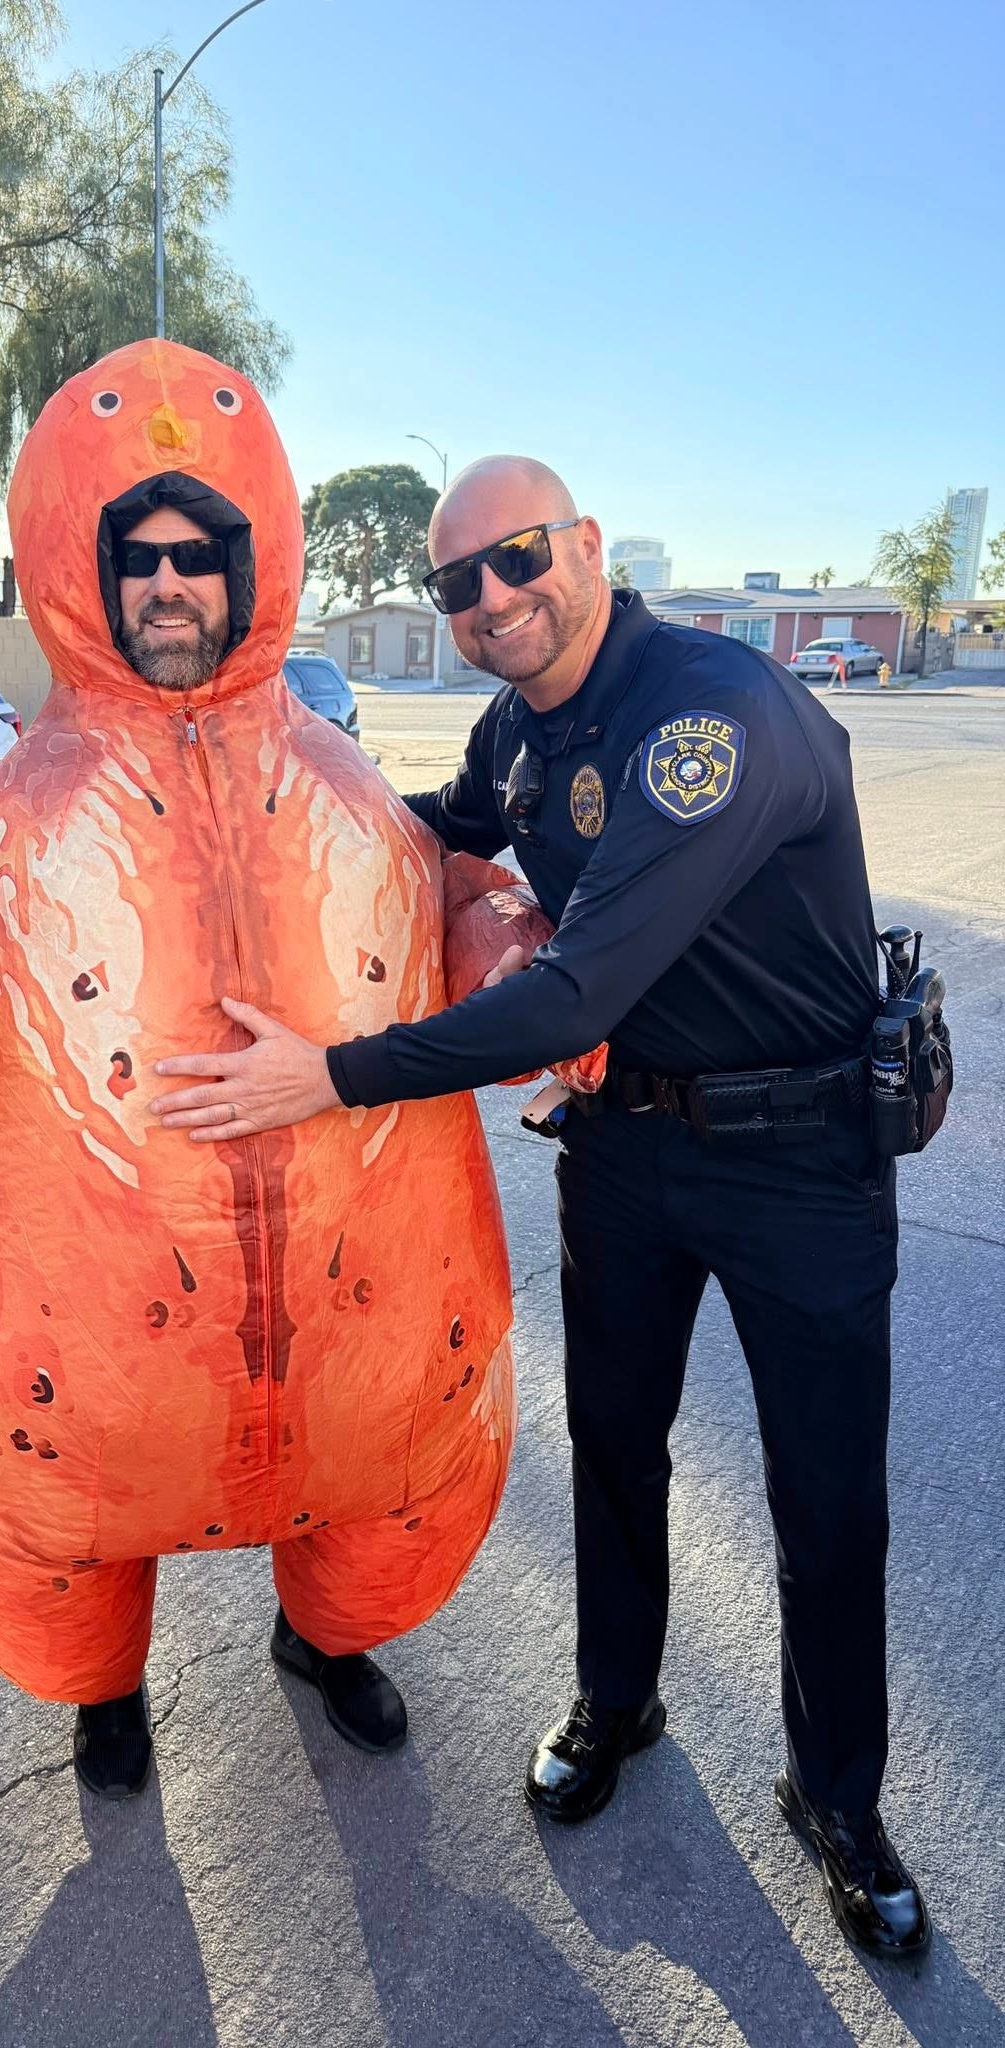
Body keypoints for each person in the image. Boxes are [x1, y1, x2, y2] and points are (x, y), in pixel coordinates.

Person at [0, 343, 592, 1801]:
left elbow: (451, 889)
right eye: (136, 556)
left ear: (250, 564)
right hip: (78, 1361)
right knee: (66, 1557)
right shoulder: (13, 809)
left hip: (369, 1330)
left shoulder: (343, 778)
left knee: (383, 1518)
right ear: (82, 568)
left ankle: (324, 1644)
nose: (168, 584)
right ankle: (105, 1693)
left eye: (199, 555)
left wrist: (514, 958)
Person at [150, 456, 929, 1960]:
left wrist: (332, 1074)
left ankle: (839, 1799)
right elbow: (414, 826)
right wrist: (243, 802)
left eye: (516, 562)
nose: (493, 601)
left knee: (827, 1506)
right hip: (625, 1157)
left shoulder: (715, 718)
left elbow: (578, 990)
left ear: (582, 548)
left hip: (798, 1162)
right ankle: (617, 1699)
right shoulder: (522, 728)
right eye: (459, 585)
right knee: (616, 1450)